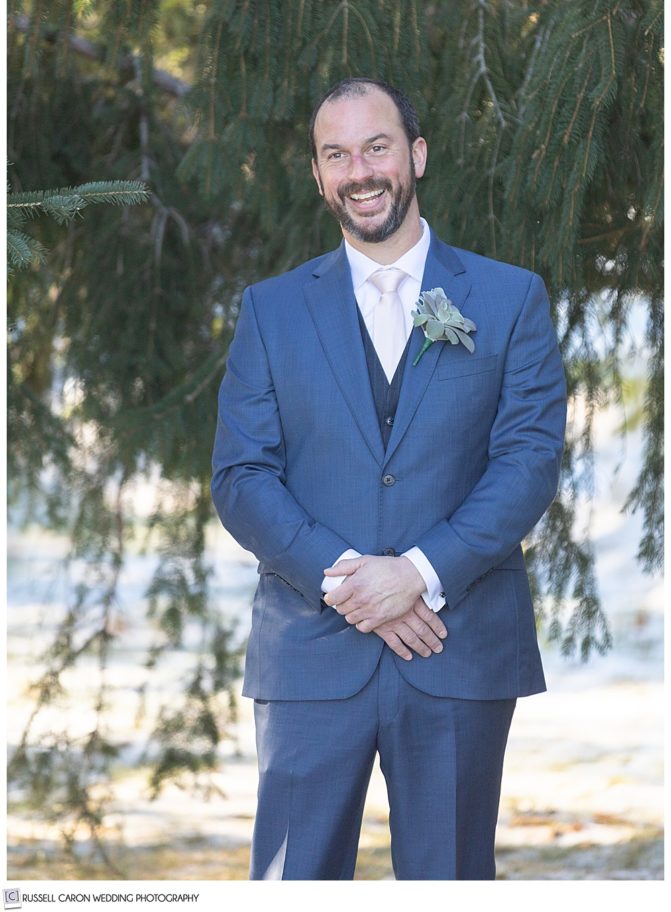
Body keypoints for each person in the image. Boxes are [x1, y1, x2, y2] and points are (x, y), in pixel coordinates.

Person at [211, 77, 567, 880]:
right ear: (316, 175)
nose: (359, 171)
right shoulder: (270, 310)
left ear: (416, 153)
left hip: (457, 646)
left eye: (376, 147)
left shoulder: (509, 300)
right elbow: (241, 475)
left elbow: (527, 461)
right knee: (291, 885)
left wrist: (416, 574)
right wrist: (350, 583)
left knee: (446, 882)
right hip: (309, 650)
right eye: (335, 155)